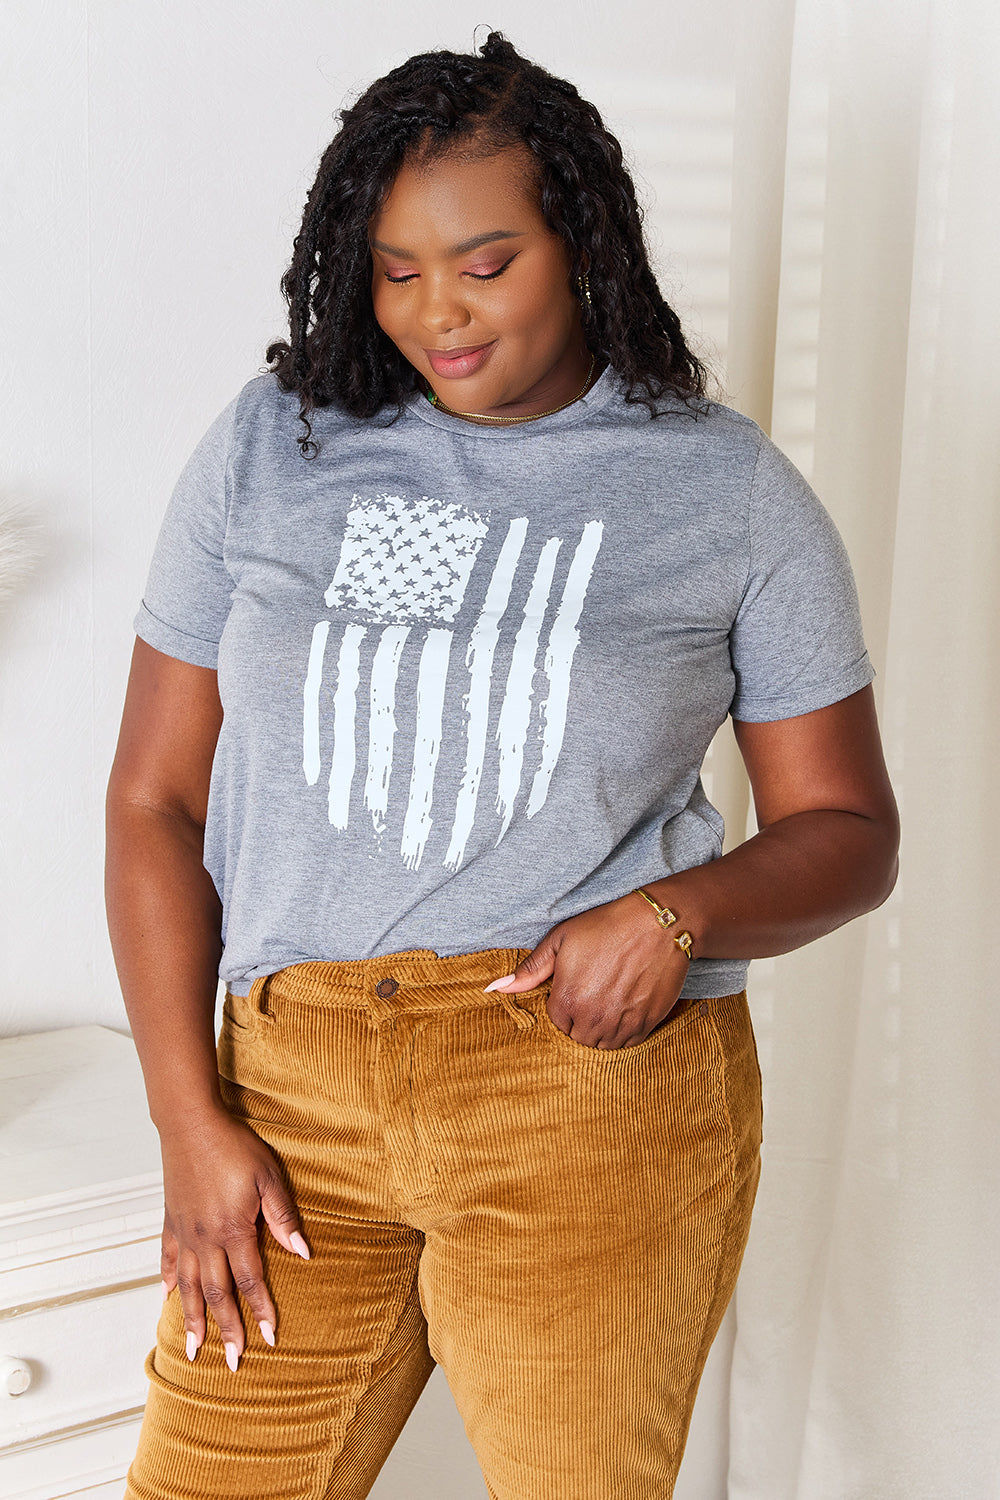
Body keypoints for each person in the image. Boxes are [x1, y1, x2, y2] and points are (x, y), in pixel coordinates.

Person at [106, 32, 899, 1500]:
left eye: (485, 262)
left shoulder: (724, 489)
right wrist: (187, 1117)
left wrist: (680, 918)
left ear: (582, 244)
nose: (435, 314)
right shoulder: (275, 444)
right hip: (286, 1100)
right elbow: (155, 797)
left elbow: (849, 827)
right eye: (396, 269)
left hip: (580, 1097)